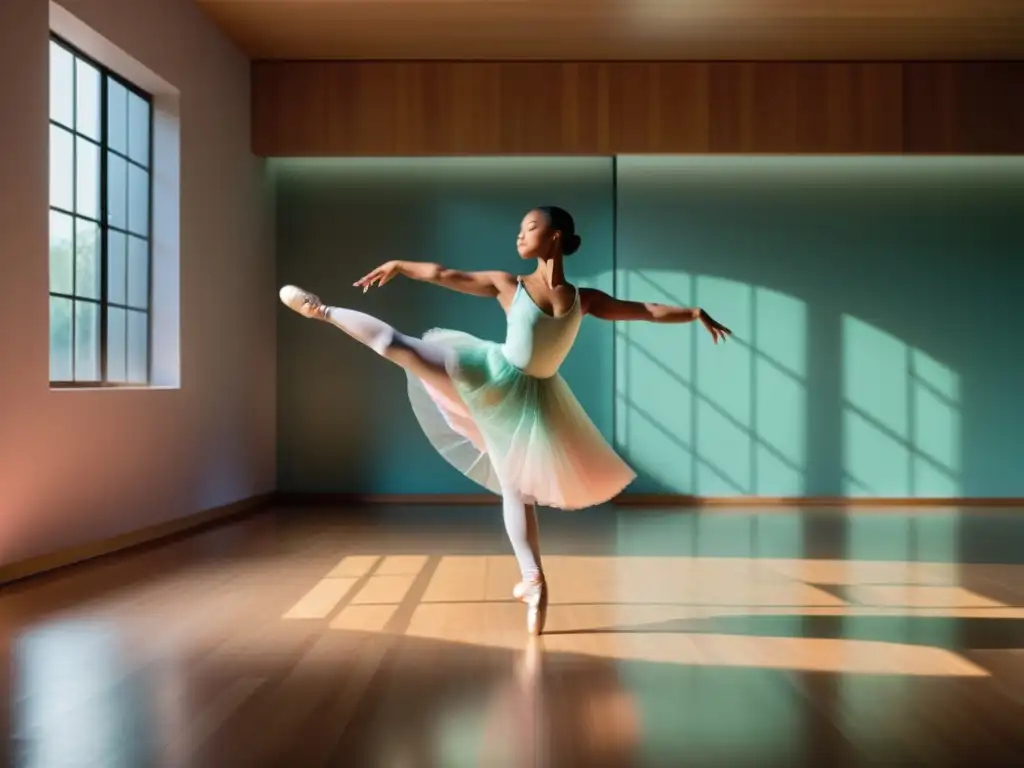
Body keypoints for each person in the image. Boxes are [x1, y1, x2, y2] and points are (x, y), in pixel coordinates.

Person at [279, 206, 731, 635]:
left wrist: (693, 313)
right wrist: (400, 263)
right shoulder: (508, 286)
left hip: (531, 402)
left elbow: (643, 310)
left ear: (554, 236)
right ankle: (323, 311)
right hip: (485, 373)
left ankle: (533, 582)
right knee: (400, 347)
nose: (520, 233)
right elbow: (443, 274)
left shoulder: (583, 299)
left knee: (517, 490)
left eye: (529, 226)